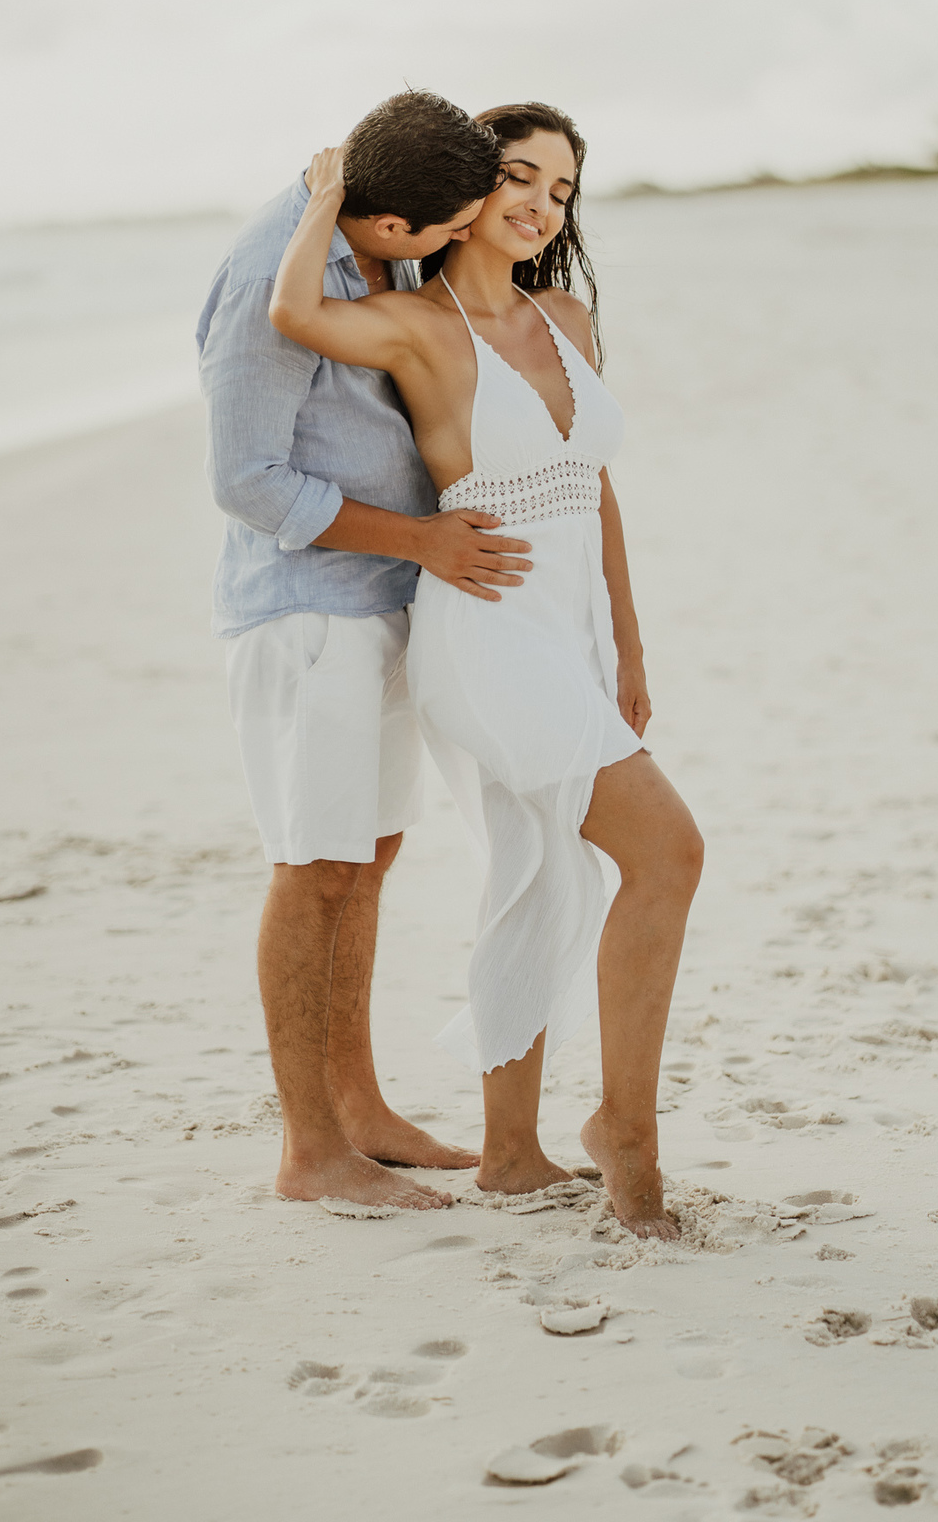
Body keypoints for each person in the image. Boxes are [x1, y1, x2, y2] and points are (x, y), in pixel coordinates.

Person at [269, 102, 704, 1239]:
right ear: (468, 192)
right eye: (519, 175)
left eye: (560, 190)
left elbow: (594, 485)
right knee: (668, 851)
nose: (538, 204)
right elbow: (294, 308)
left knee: (538, 872)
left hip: (572, 629)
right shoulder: (418, 323)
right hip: (486, 629)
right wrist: (325, 192)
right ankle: (628, 1132)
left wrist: (630, 644)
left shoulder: (567, 315)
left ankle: (511, 1155)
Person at [197, 91, 536, 1213]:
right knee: (315, 865)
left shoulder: (365, 230)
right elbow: (246, 483)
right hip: (309, 612)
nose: (455, 246)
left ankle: (360, 1110)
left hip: (383, 595)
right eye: (445, 230)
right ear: (391, 227)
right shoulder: (268, 279)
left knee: (370, 855)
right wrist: (424, 540)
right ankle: (310, 1152)